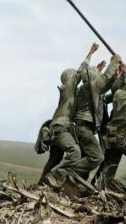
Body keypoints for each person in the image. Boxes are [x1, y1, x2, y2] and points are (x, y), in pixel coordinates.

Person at [41, 43, 99, 188]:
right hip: (60, 128)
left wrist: (97, 71)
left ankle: (41, 186)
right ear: (71, 79)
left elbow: (85, 81)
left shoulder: (70, 93)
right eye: (75, 78)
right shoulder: (67, 89)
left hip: (58, 128)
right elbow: (80, 73)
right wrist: (90, 53)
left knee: (54, 159)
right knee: (75, 152)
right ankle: (57, 174)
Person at [70, 53, 121, 179]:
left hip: (83, 127)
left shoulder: (84, 89)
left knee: (87, 156)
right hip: (84, 128)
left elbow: (103, 88)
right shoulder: (91, 87)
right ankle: (66, 170)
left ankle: (76, 180)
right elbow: (103, 81)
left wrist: (114, 79)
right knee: (97, 156)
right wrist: (114, 62)